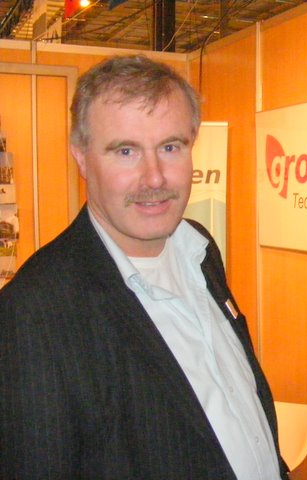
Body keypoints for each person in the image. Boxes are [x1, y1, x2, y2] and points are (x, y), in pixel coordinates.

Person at [0, 55, 289, 480]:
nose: (154, 178)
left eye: (170, 147)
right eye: (126, 151)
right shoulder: (33, 313)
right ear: (82, 158)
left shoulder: (200, 249)